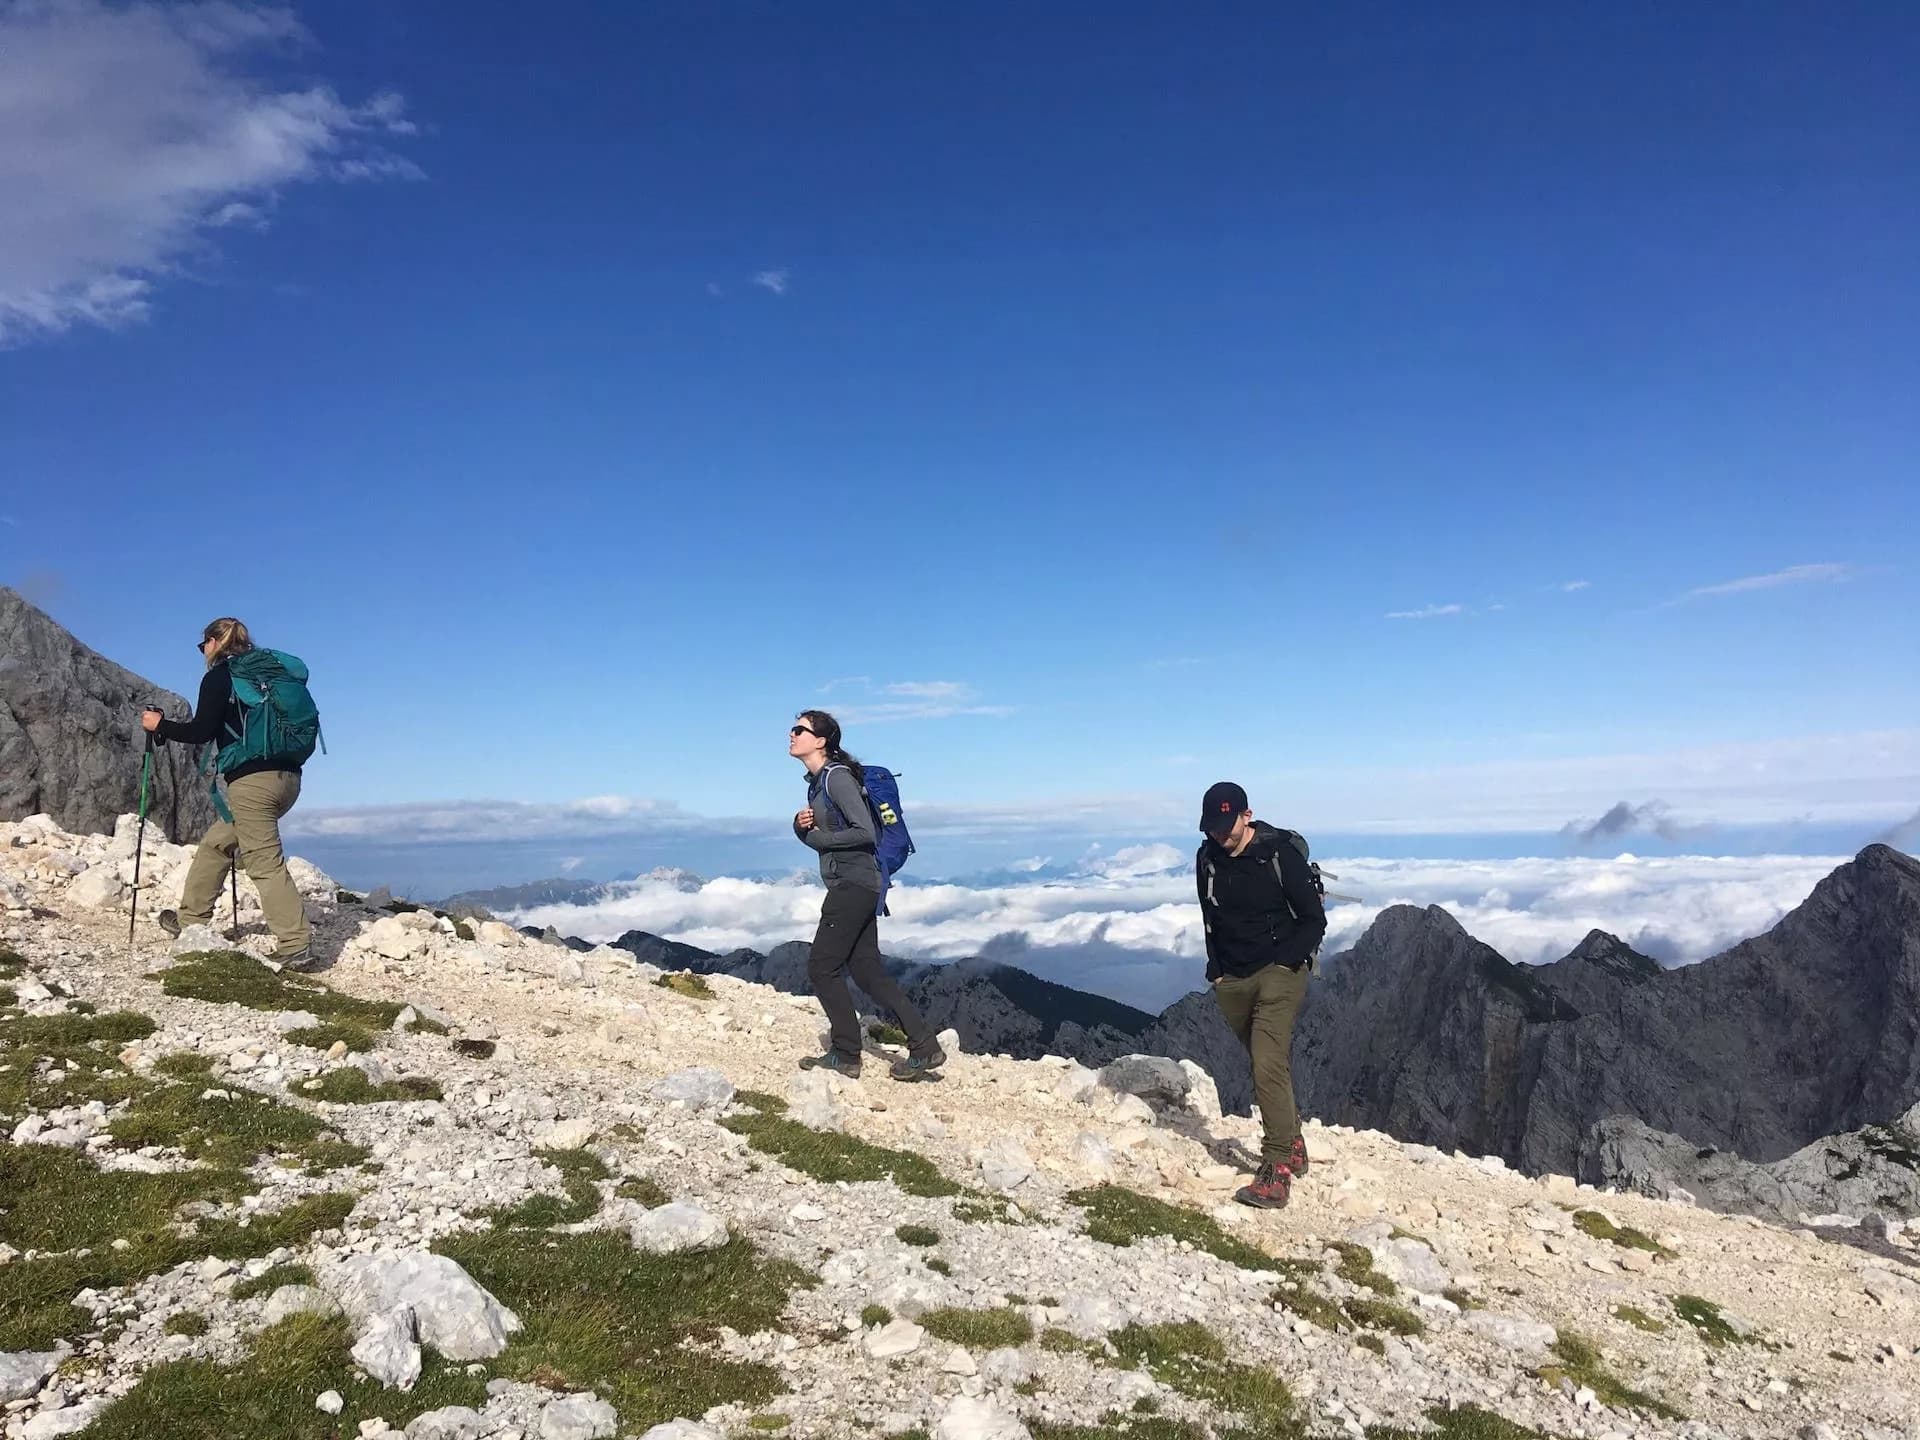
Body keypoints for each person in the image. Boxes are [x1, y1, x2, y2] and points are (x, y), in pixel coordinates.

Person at [141, 617, 313, 970]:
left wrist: (161, 727)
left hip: (253, 785)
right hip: (288, 780)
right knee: (218, 843)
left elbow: (202, 731)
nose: (202, 652)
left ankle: (296, 943)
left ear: (214, 641)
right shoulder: (270, 673)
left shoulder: (220, 677)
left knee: (264, 862)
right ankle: (191, 921)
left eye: (201, 645)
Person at [789, 710, 944, 1080]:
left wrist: (815, 837)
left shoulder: (836, 779)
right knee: (867, 971)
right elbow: (831, 840)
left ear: (821, 741)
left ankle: (845, 1054)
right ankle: (925, 1046)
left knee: (822, 967)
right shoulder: (819, 783)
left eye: (800, 730)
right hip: (860, 883)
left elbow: (864, 833)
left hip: (853, 885)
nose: (791, 735)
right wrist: (801, 828)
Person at [1196, 780, 1327, 1209]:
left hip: (1279, 971)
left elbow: (1313, 919)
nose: (1219, 834)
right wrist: (1216, 970)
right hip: (1232, 976)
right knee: (1263, 1059)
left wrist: (1289, 962)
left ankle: (1275, 1171)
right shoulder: (1207, 859)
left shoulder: (1279, 856)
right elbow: (1209, 916)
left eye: (1226, 825)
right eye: (1212, 826)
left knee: (1267, 1059)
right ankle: (1293, 1140)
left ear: (1246, 816)